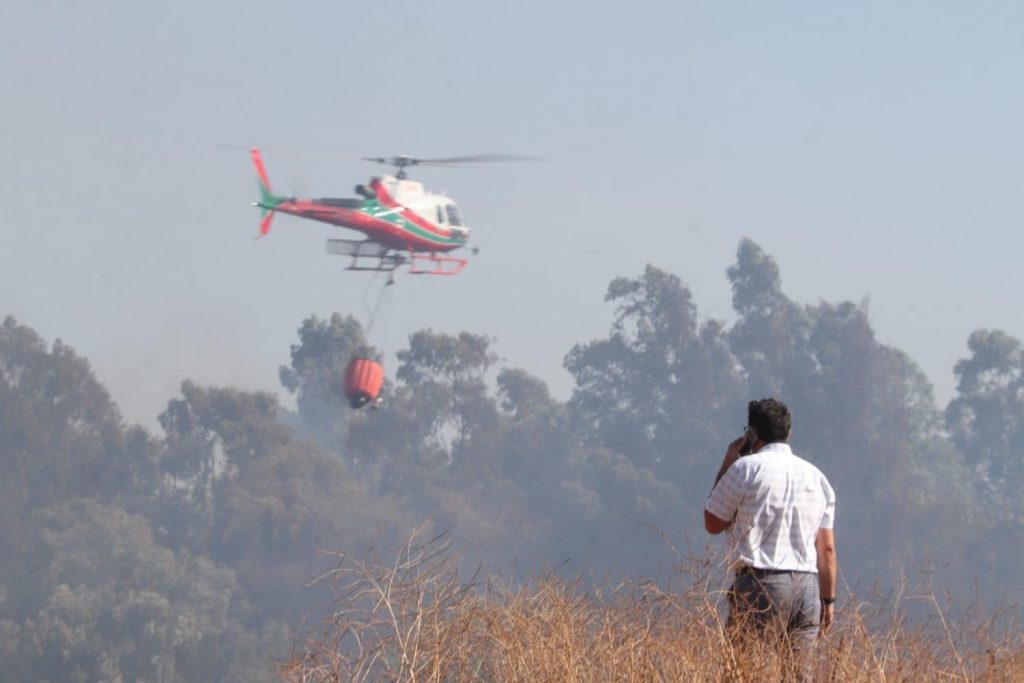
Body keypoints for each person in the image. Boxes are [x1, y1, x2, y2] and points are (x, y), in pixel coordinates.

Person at [704, 398, 837, 673]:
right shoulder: (818, 478)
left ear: (751, 434)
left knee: (744, 673)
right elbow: (826, 551)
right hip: (807, 588)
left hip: (761, 582)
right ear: (788, 433)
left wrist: (725, 466)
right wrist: (828, 602)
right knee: (800, 675)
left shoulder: (744, 469)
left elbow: (713, 522)